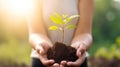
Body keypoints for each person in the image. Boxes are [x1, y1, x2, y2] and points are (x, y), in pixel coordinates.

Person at [27, 0, 94, 67]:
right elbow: (36, 33)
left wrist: (81, 44)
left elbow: (84, 32)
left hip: (77, 58)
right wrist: (40, 43)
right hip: (41, 59)